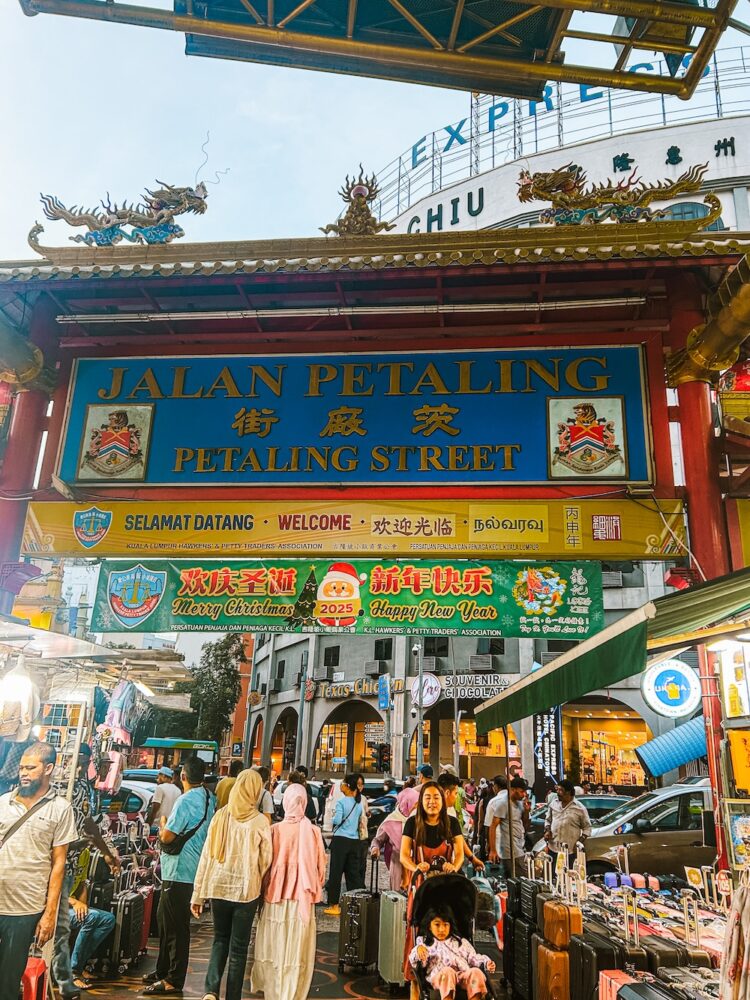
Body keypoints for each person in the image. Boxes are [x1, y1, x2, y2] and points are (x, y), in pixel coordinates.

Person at [0, 742, 77, 1000]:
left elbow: (59, 864)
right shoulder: (3, 803)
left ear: (49, 769)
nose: (24, 772)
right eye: (22, 767)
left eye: (31, 768)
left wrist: (50, 913)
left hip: (24, 908)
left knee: (8, 980)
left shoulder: (61, 809)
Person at [190, 769, 272, 1000]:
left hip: (218, 887)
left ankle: (210, 990)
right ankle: (232, 996)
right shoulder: (259, 821)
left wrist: (198, 894)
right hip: (246, 892)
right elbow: (266, 860)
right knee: (238, 949)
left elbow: (206, 856)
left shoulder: (221, 816)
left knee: (219, 940)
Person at [52, 742, 120, 998]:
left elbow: (88, 824)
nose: (79, 763)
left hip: (67, 868)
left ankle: (71, 970)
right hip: (51, 870)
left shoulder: (81, 787)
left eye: (83, 760)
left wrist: (104, 851)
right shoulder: (58, 785)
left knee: (91, 919)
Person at [143, 756, 215, 996]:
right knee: (166, 921)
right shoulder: (209, 799)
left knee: (175, 927)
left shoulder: (185, 801)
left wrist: (163, 824)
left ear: (182, 777)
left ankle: (173, 978)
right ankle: (162, 970)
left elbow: (167, 837)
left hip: (178, 870)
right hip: (193, 868)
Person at [251, 783, 327, 1000]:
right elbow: (321, 868)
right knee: (296, 948)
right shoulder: (313, 831)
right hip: (301, 898)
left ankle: (273, 989)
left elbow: (264, 863)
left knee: (274, 944)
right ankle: (292, 991)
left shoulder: (274, 830)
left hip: (276, 895)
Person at [409, 902, 495, 1000]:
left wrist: (486, 962)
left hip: (462, 976)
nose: (441, 929)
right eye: (437, 925)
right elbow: (416, 962)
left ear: (450, 926)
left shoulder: (460, 942)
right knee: (448, 972)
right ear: (429, 926)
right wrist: (419, 950)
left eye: (445, 925)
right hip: (440, 977)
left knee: (476, 972)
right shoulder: (425, 942)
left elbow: (473, 957)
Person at [400, 782, 465, 878]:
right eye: (427, 797)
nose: (432, 802)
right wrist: (416, 868)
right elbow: (403, 856)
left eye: (436, 797)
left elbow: (460, 854)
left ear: (442, 800)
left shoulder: (453, 823)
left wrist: (453, 867)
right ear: (421, 801)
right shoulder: (411, 823)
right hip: (420, 882)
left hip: (446, 880)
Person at [323, 774, 364, 916]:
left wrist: (333, 817)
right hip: (354, 841)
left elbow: (337, 820)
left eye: (343, 784)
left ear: (347, 786)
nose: (341, 786)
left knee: (335, 873)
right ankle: (358, 902)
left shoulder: (341, 802)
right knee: (353, 874)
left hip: (340, 841)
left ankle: (334, 905)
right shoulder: (358, 804)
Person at [66, 882, 117, 990]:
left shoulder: (83, 864)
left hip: (72, 906)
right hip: (57, 907)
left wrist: (82, 907)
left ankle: (80, 966)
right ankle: (73, 973)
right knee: (92, 916)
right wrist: (75, 903)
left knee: (108, 919)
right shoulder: (62, 865)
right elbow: (51, 891)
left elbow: (81, 884)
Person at [370, 786, 420, 890]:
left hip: (415, 864)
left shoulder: (419, 821)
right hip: (397, 863)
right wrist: (375, 848)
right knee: (397, 894)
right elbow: (378, 840)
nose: (417, 809)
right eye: (415, 805)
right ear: (406, 803)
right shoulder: (391, 821)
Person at [437, 773, 483, 872]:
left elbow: (458, 838)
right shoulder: (428, 815)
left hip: (451, 866)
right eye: (456, 793)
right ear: (447, 793)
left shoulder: (451, 812)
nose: (456, 796)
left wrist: (472, 858)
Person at [544, 779, 592, 868]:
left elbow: (587, 828)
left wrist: (579, 842)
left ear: (568, 792)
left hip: (569, 852)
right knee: (551, 876)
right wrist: (547, 830)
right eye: (557, 789)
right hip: (553, 848)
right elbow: (548, 820)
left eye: (560, 790)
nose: (557, 792)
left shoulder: (580, 808)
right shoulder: (553, 804)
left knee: (566, 877)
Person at [488, 776, 529, 877]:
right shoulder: (503, 804)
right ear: (512, 789)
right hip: (510, 850)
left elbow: (526, 825)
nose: (523, 795)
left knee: (517, 882)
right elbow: (492, 826)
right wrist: (493, 850)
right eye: (521, 791)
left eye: (525, 792)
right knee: (522, 881)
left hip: (519, 847)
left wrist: (527, 811)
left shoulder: (520, 804)